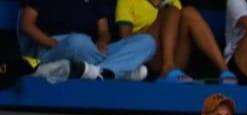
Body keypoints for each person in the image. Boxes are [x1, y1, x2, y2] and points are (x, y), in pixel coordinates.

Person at [21, 0, 154, 81]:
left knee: (147, 41)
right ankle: (120, 71)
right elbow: (26, 25)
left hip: (90, 48)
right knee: (77, 41)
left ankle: (102, 72)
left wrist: (102, 41)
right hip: (52, 47)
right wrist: (53, 43)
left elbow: (104, 31)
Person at [115, 0, 236, 83]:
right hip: (146, 58)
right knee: (170, 10)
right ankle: (167, 67)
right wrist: (154, 25)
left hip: (175, 58)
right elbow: (126, 42)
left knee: (189, 12)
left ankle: (224, 70)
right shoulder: (127, 1)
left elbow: (175, 26)